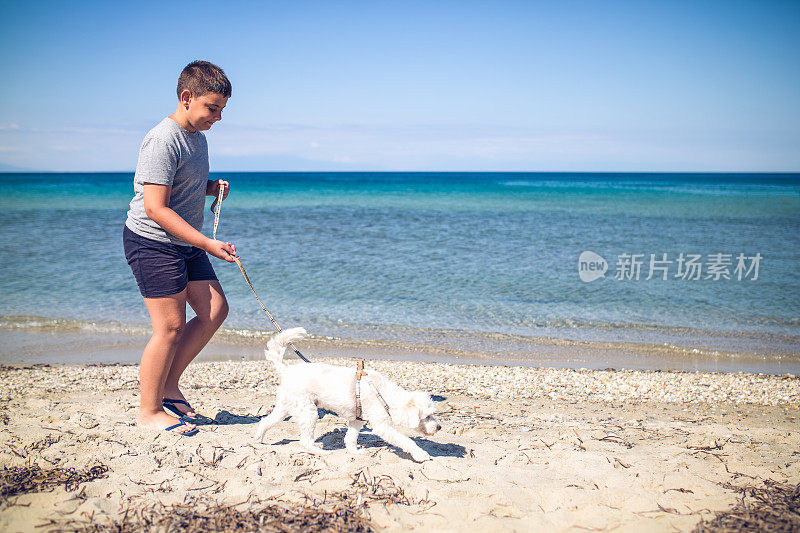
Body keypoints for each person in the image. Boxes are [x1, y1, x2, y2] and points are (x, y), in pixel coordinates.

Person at [123, 61, 236, 435]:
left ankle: (169, 388)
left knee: (215, 309)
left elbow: (180, 185)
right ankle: (149, 410)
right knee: (169, 327)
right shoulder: (162, 139)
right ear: (187, 98)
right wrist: (207, 242)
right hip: (153, 242)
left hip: (184, 242)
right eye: (212, 108)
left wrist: (209, 187)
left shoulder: (197, 137)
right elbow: (155, 207)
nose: (217, 117)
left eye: (221, 110)